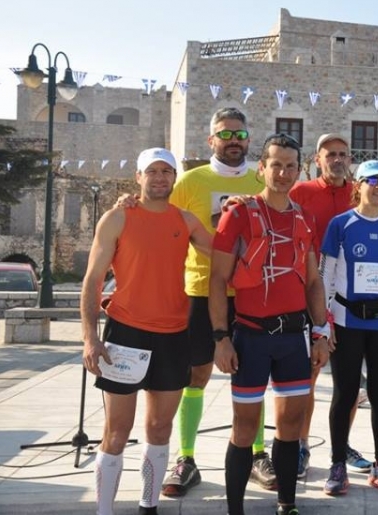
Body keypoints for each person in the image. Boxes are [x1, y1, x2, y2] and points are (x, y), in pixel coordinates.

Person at [81, 148, 212, 515]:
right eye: (151, 171)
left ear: (174, 178)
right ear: (138, 177)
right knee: (116, 431)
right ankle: (104, 510)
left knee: (159, 427)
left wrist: (245, 211)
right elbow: (92, 281)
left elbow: (223, 251)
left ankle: (148, 505)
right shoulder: (117, 217)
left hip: (174, 335)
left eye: (166, 171)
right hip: (126, 335)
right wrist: (90, 338)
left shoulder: (185, 220)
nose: (159, 178)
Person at [210, 133, 330, 515]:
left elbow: (313, 281)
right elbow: (217, 280)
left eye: (290, 166)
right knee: (245, 427)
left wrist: (321, 332)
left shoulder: (304, 218)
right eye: (276, 165)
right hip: (251, 336)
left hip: (293, 337)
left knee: (291, 424)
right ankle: (236, 510)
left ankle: (286, 505)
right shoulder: (238, 214)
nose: (283, 173)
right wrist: (221, 338)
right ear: (261, 168)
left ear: (299, 170)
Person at [160, 107, 273, 496]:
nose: (233, 141)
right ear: (211, 140)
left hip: (251, 292)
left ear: (248, 138)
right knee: (197, 375)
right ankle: (186, 458)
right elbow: (162, 222)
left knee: (253, 377)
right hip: (201, 290)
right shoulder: (190, 182)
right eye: (225, 134)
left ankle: (257, 454)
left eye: (239, 134)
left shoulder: (262, 179)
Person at [320, 160, 378, 496]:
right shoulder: (341, 224)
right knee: (345, 393)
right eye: (372, 181)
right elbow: (326, 276)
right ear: (357, 185)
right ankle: (337, 464)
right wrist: (323, 325)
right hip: (347, 321)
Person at [288, 132, 373, 478]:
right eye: (330, 154)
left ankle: (342, 443)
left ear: (350, 159)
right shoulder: (301, 192)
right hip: (310, 296)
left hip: (351, 300)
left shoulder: (359, 192)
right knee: (308, 376)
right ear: (317, 160)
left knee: (348, 381)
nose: (337, 160)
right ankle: (301, 445)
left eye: (343, 154)